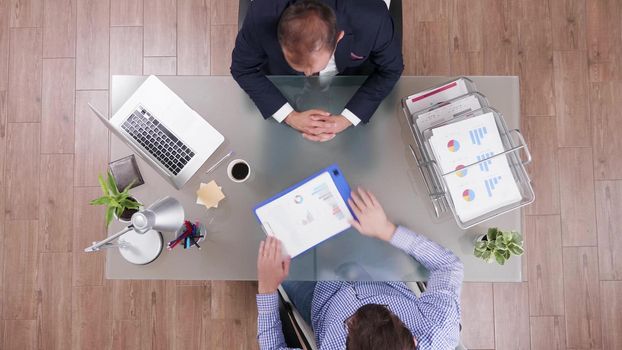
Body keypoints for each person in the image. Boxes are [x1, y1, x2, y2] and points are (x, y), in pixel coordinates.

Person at [256, 187, 464, 349]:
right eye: (386, 309)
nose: (355, 308)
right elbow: (448, 266)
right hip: (375, 267)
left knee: (264, 232)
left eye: (349, 322)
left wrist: (267, 289)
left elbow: (274, 346)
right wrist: (388, 230)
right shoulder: (439, 333)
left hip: (320, 298)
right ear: (415, 339)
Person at [231, 0, 404, 142]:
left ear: (338, 37)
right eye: (299, 65)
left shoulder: (372, 19)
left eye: (313, 67)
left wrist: (348, 118)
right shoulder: (261, 15)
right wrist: (289, 116)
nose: (307, 75)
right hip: (283, 87)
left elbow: (390, 69)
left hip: (352, 85)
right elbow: (242, 68)